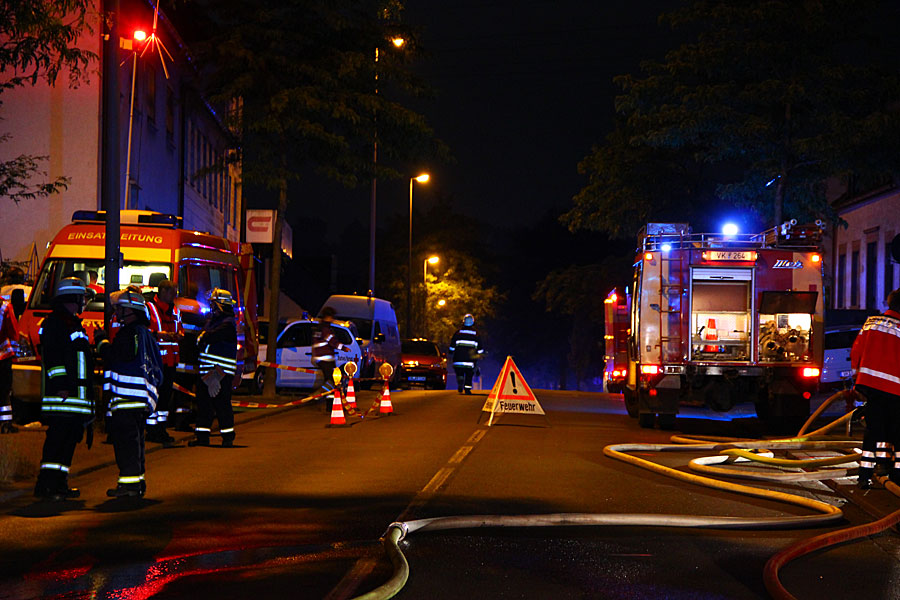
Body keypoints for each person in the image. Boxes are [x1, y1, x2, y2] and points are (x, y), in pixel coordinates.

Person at [96, 289, 162, 498]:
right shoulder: (145, 334)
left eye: (120, 308)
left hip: (126, 399)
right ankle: (137, 482)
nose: (117, 312)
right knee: (136, 442)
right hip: (139, 400)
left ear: (130, 311)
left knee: (126, 444)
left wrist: (101, 342)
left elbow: (116, 356)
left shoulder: (129, 333)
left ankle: (129, 486)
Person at [33, 277, 95, 500]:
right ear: (72, 298)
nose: (84, 302)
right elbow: (53, 357)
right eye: (82, 298)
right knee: (58, 441)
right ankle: (46, 485)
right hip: (63, 396)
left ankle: (59, 484)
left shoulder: (71, 322)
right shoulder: (55, 324)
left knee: (68, 440)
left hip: (75, 398)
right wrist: (60, 385)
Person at [851, 288, 900, 489]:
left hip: (869, 386)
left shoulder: (871, 323)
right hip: (896, 390)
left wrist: (857, 378)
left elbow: (856, 352)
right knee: (897, 432)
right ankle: (896, 475)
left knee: (873, 430)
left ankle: (865, 475)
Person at [189, 288, 238, 447]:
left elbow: (207, 337)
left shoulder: (227, 325)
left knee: (222, 405)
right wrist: (202, 336)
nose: (212, 308)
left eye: (214, 305)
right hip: (207, 373)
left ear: (221, 305)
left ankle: (228, 438)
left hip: (219, 373)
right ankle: (202, 437)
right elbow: (200, 339)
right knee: (204, 405)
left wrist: (203, 336)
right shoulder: (214, 322)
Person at [145, 279, 180, 446]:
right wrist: (162, 335)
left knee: (165, 398)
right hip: (156, 361)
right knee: (154, 396)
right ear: (163, 292)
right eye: (173, 293)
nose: (175, 296)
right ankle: (152, 430)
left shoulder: (175, 310)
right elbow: (146, 331)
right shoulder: (150, 308)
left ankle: (161, 429)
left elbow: (179, 328)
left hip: (171, 361)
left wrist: (178, 335)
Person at [173, 283, 202, 431]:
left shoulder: (177, 304)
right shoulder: (197, 307)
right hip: (190, 358)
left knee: (176, 390)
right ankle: (183, 422)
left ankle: (174, 420)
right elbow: (200, 332)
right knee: (187, 391)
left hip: (176, 356)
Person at [312, 306, 351, 405]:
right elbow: (333, 342)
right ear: (328, 316)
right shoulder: (326, 329)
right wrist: (344, 348)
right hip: (326, 358)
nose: (333, 319)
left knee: (329, 380)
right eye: (332, 317)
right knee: (332, 380)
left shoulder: (319, 328)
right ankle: (319, 395)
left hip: (320, 358)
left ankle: (329, 404)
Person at [448, 313, 484, 395]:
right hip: (470, 360)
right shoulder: (476, 334)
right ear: (472, 322)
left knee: (459, 373)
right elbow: (480, 348)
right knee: (469, 374)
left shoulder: (458, 333)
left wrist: (450, 352)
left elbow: (452, 346)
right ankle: (467, 389)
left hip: (458, 359)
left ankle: (460, 382)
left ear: (463, 322)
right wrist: (480, 355)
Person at [0, 295, 18, 433]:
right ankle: (5, 424)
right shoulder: (5, 307)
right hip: (3, 357)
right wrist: (16, 352)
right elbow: (12, 332)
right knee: (4, 391)